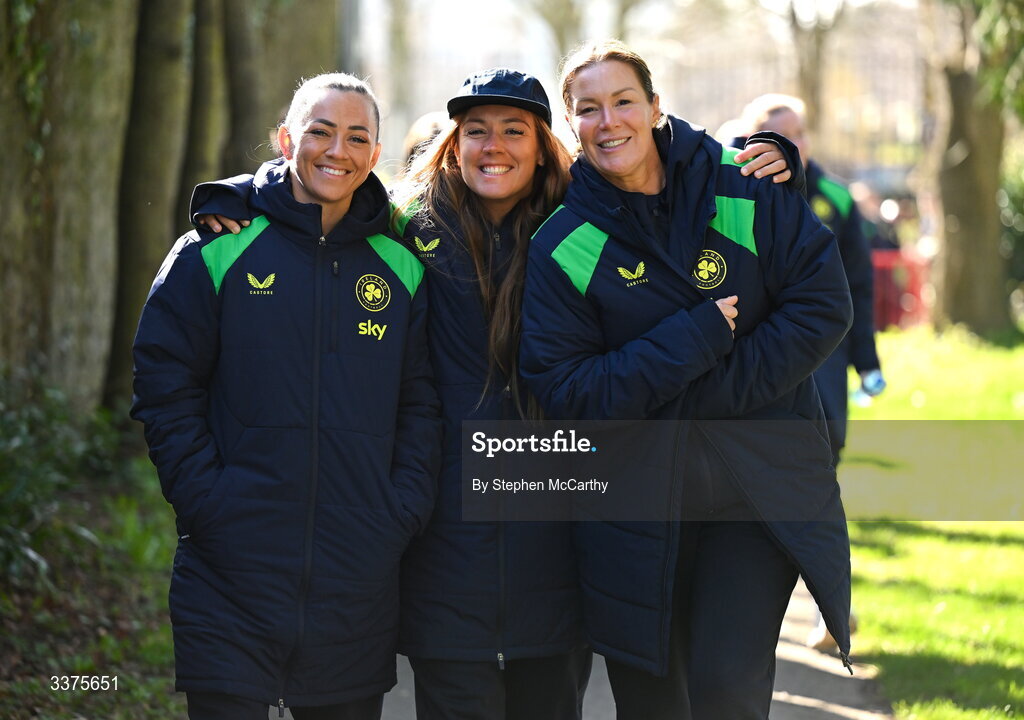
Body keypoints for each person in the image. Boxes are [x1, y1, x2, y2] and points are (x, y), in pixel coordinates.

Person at [192, 68, 799, 720]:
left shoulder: (588, 224)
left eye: (514, 130)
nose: (493, 146)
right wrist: (234, 194)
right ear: (454, 143)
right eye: (476, 131)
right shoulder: (404, 225)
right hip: (444, 542)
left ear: (542, 144)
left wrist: (768, 155)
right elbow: (318, 200)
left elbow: (670, 179)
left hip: (560, 539)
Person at [519, 40, 855, 720]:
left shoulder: (749, 184)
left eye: (623, 102)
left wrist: (707, 401)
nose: (608, 121)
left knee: (729, 691)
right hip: (632, 507)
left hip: (753, 493)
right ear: (570, 125)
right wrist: (692, 340)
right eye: (588, 109)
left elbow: (822, 305)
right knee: (652, 704)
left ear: (655, 107)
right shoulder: (561, 241)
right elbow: (569, 391)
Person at [131, 73, 441, 720]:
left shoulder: (402, 265)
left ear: (375, 153)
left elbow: (421, 402)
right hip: (229, 571)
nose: (338, 150)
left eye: (357, 137)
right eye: (320, 130)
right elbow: (164, 382)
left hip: (357, 579)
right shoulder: (214, 248)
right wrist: (206, 499)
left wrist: (399, 510)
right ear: (285, 138)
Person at [741, 94, 887, 652]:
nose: (794, 143)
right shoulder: (726, 187)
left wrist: (868, 363)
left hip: (825, 366)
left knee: (818, 487)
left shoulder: (833, 196)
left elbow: (859, 285)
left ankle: (833, 613)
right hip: (758, 369)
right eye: (781, 133)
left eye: (800, 131)